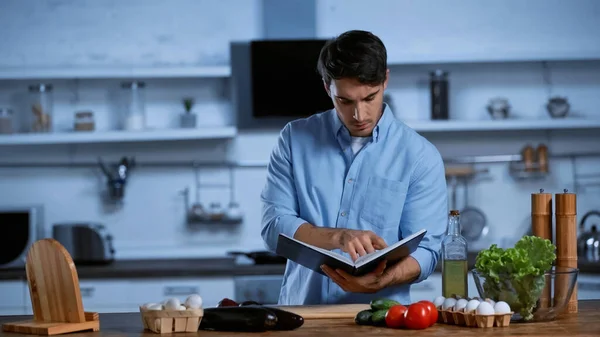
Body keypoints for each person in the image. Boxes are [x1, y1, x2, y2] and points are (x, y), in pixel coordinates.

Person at [260, 30, 448, 305]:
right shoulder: (293, 139)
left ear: (385, 79)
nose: (359, 115)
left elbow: (428, 251)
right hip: (304, 318)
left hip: (382, 322)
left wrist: (382, 280)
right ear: (327, 88)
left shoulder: (421, 156)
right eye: (345, 101)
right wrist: (338, 237)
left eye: (369, 98)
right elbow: (274, 226)